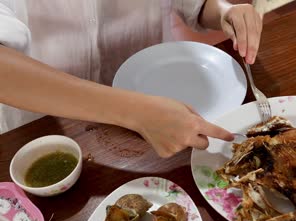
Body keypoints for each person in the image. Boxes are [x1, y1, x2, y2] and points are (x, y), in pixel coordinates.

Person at [0, 0, 262, 157]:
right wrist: (135, 112)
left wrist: (225, 12)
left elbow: (194, 4)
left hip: (162, 117)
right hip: (45, 123)